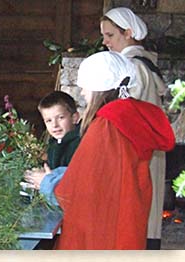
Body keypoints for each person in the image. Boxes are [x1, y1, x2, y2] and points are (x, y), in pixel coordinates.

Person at [54, 51, 175, 249]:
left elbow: (80, 188)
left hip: (105, 229)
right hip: (128, 219)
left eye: (86, 86)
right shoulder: (129, 116)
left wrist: (48, 182)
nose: (83, 92)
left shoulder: (107, 125)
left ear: (100, 88)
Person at [100, 7, 168, 249]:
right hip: (146, 151)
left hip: (134, 153)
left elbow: (125, 116)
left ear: (128, 33)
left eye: (110, 35)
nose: (105, 42)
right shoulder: (145, 63)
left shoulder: (131, 67)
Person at [24, 91, 80, 206]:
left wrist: (47, 180)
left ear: (74, 118)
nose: (54, 125)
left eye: (60, 118)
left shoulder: (79, 145)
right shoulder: (53, 144)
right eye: (48, 120)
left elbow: (74, 180)